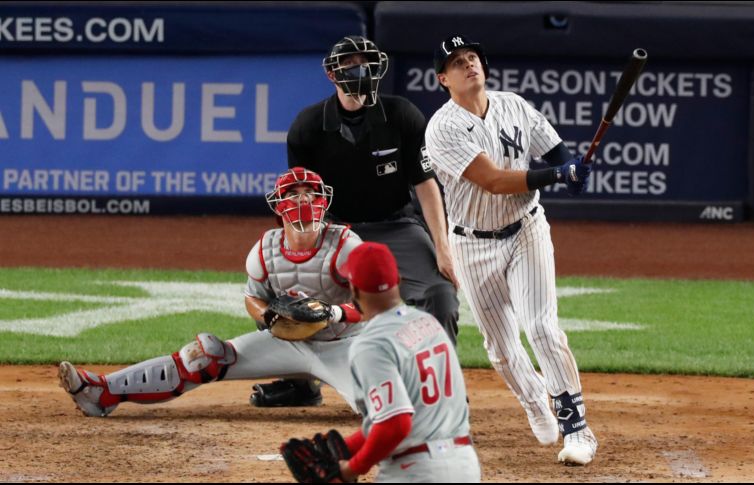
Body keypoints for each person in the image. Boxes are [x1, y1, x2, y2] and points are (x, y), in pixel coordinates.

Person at [252, 35, 461, 409]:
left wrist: (443, 250)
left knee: (440, 295)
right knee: (295, 295)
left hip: (397, 225)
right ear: (333, 74)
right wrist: (297, 249)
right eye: (350, 64)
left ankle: (441, 390)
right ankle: (299, 382)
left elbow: (426, 185)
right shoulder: (308, 126)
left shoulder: (402, 115)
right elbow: (300, 197)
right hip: (334, 228)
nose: (360, 70)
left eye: (366, 62)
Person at [58, 167, 365, 416]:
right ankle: (100, 392)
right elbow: (252, 297)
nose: (304, 200)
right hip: (289, 345)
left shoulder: (345, 245)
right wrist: (268, 316)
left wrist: (334, 312)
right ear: (279, 204)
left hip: (346, 344)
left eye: (311, 193)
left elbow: (376, 304)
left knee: (378, 408)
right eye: (295, 194)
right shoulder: (265, 250)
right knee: (204, 358)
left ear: (323, 200)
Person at [424, 34, 598, 466]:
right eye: (458, 62)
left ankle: (577, 427)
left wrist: (572, 169)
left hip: (525, 229)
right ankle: (536, 401)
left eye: (473, 57)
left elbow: (556, 151)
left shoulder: (514, 106)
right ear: (443, 78)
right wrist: (559, 175)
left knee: (541, 326)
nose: (470, 65)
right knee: (500, 348)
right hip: (471, 242)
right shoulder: (442, 128)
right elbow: (495, 181)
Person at [337, 242, 480, 483]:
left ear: (354, 290)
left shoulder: (371, 344)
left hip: (415, 472)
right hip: (465, 465)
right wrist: (343, 450)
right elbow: (400, 416)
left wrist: (350, 469)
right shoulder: (429, 323)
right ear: (399, 281)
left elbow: (395, 423)